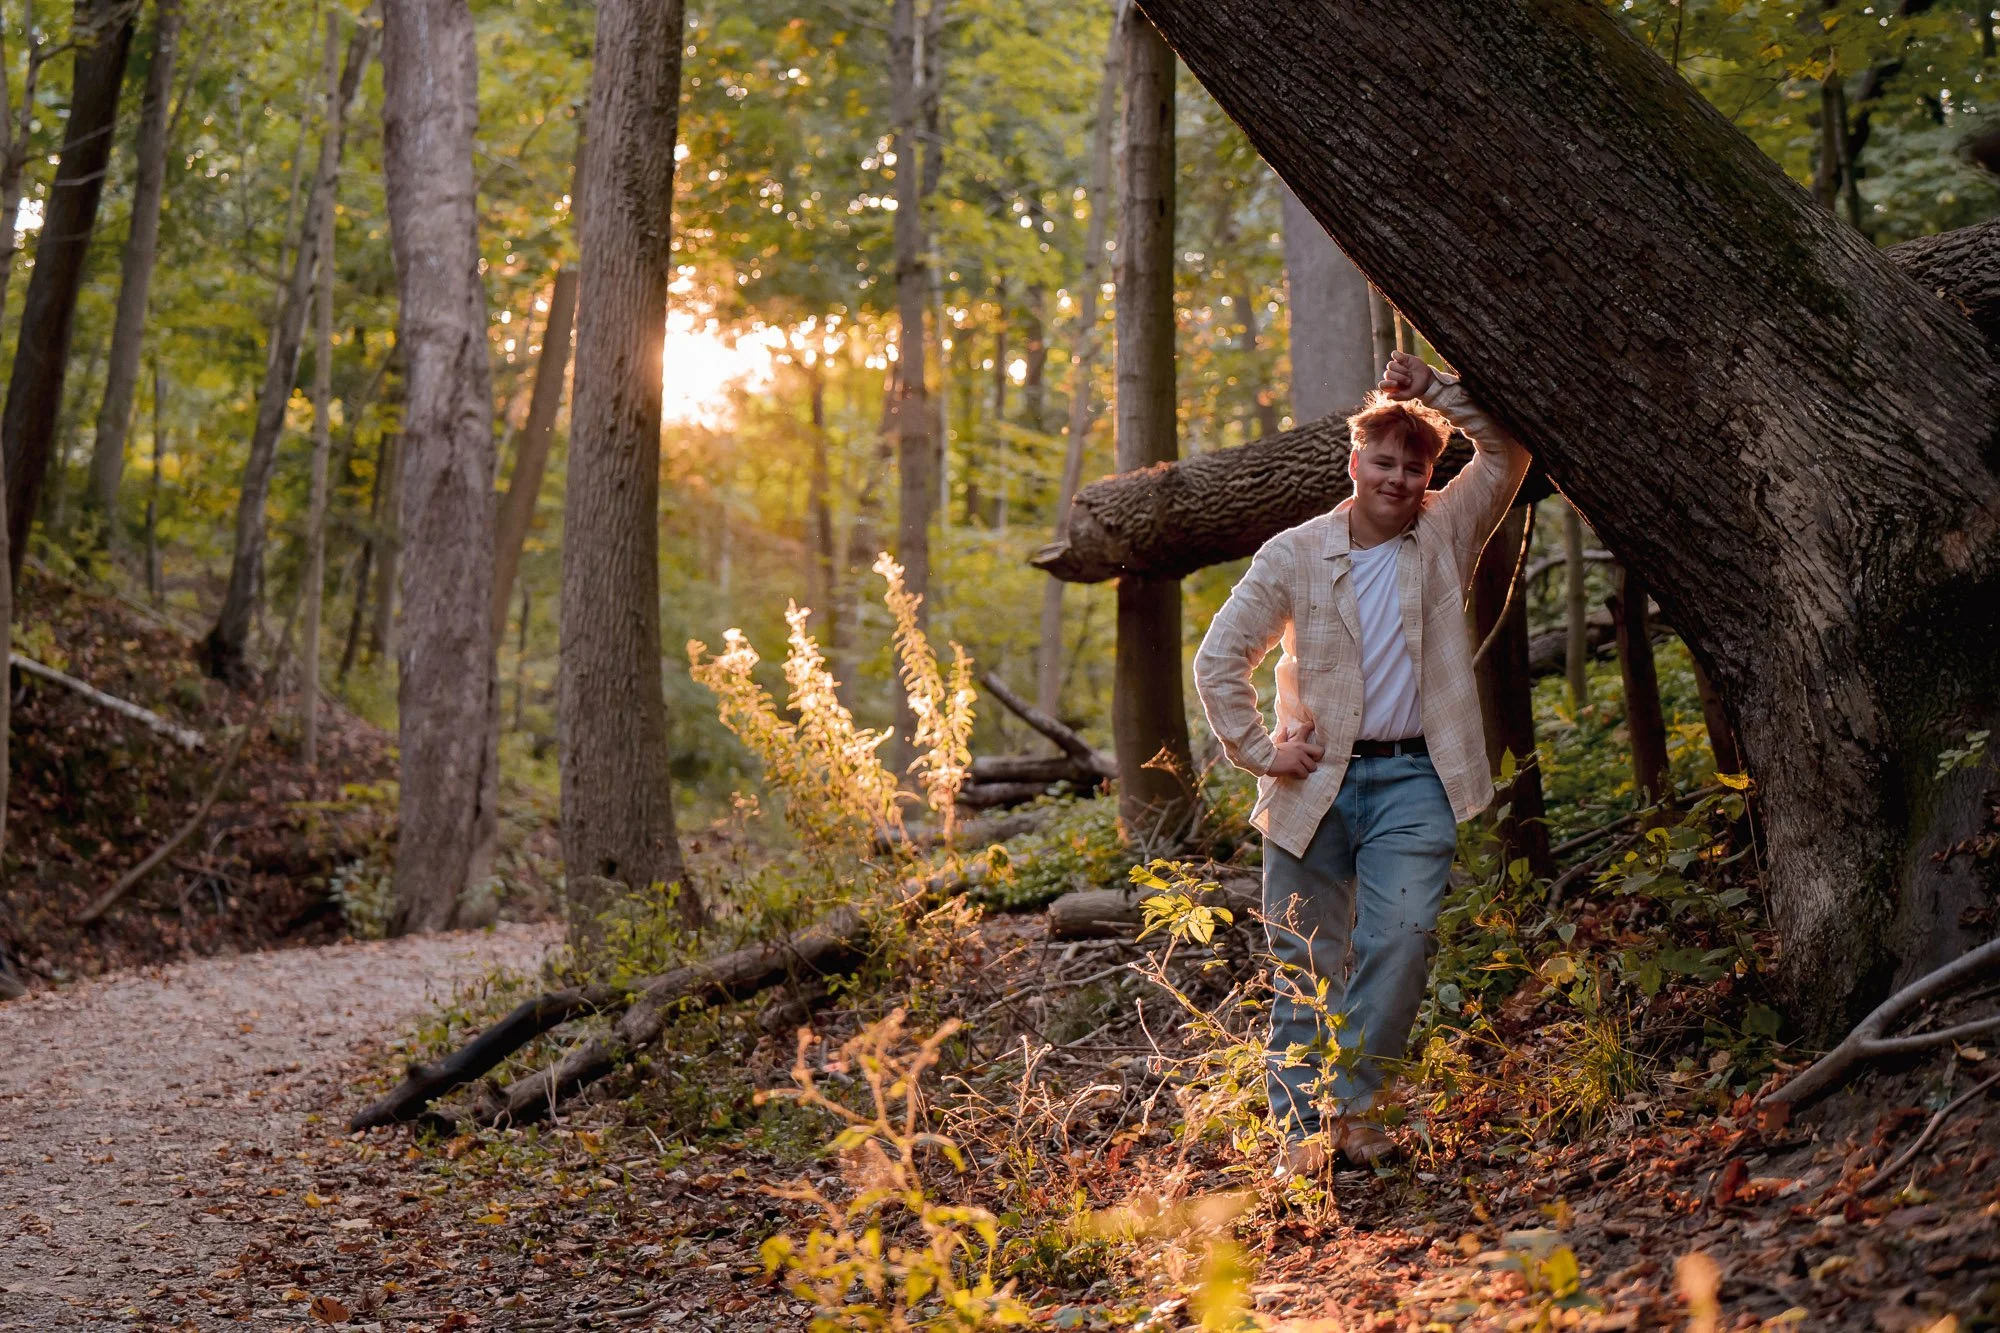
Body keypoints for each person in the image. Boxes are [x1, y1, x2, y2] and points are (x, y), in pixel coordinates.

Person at [1192, 348, 1530, 1177]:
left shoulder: (1445, 528)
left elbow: (1508, 453)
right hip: (1313, 781)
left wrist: (1437, 394)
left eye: (1414, 466)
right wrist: (1260, 749)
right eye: (1383, 461)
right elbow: (1219, 657)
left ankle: (1360, 1105)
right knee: (1303, 959)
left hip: (1418, 776)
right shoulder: (1294, 554)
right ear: (1353, 463)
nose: (1399, 478)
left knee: (1402, 941)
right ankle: (1301, 1135)